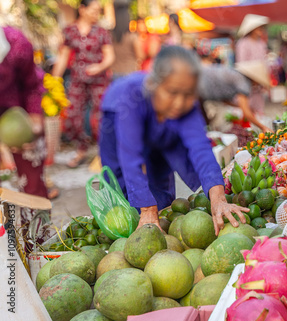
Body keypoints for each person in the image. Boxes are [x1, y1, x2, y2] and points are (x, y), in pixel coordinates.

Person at [99, 46, 249, 234]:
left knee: (161, 189)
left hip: (162, 125)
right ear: (154, 84)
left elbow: (201, 150)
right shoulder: (131, 98)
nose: (179, 103)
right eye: (172, 93)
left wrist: (219, 199)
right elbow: (130, 159)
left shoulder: (186, 106)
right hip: (117, 116)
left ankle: (157, 215)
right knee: (121, 188)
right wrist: (146, 211)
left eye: (188, 95)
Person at [0, 26, 52, 251]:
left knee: (33, 187)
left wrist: (34, 122)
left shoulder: (17, 44)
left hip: (18, 115)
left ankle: (38, 250)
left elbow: (32, 85)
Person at [52, 0, 115, 168]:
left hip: (99, 81)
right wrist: (52, 81)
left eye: (98, 11)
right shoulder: (70, 31)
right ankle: (82, 148)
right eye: (93, 10)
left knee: (102, 117)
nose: (96, 13)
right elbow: (63, 57)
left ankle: (105, 154)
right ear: (82, 9)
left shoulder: (102, 32)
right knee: (72, 116)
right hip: (78, 80)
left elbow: (110, 56)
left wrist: (99, 67)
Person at [198, 63, 272, 133]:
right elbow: (246, 113)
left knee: (205, 124)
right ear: (255, 79)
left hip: (199, 84)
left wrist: (243, 107)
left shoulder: (236, 75)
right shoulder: (243, 82)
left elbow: (224, 100)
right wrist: (263, 127)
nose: (257, 86)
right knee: (203, 123)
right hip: (198, 90)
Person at [235, 14, 269, 116]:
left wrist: (264, 79)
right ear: (252, 28)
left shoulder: (262, 44)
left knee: (258, 112)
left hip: (259, 84)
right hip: (247, 82)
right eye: (258, 27)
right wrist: (253, 78)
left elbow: (264, 63)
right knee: (245, 112)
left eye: (261, 27)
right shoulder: (243, 43)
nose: (261, 29)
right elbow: (242, 64)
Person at [110, 0, 142, 79]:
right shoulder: (132, 37)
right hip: (130, 73)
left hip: (115, 74)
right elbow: (140, 55)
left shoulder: (111, 36)